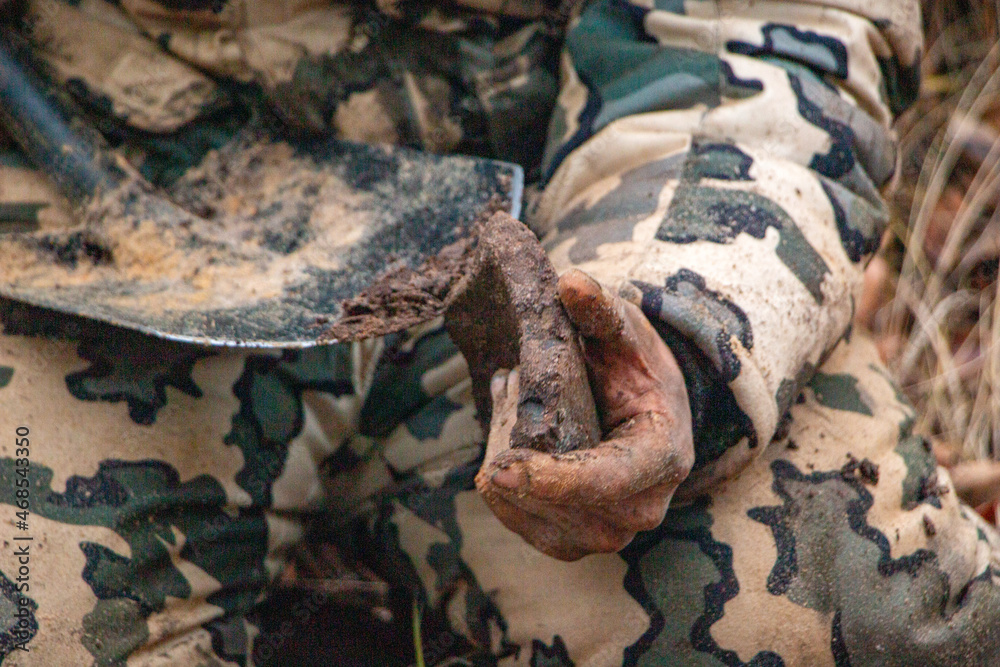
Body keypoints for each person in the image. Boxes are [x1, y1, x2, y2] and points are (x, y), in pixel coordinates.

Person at [2, 0, 999, 665]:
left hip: (558, 204)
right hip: (74, 236)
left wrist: (681, 330)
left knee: (849, 610)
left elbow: (764, 30)